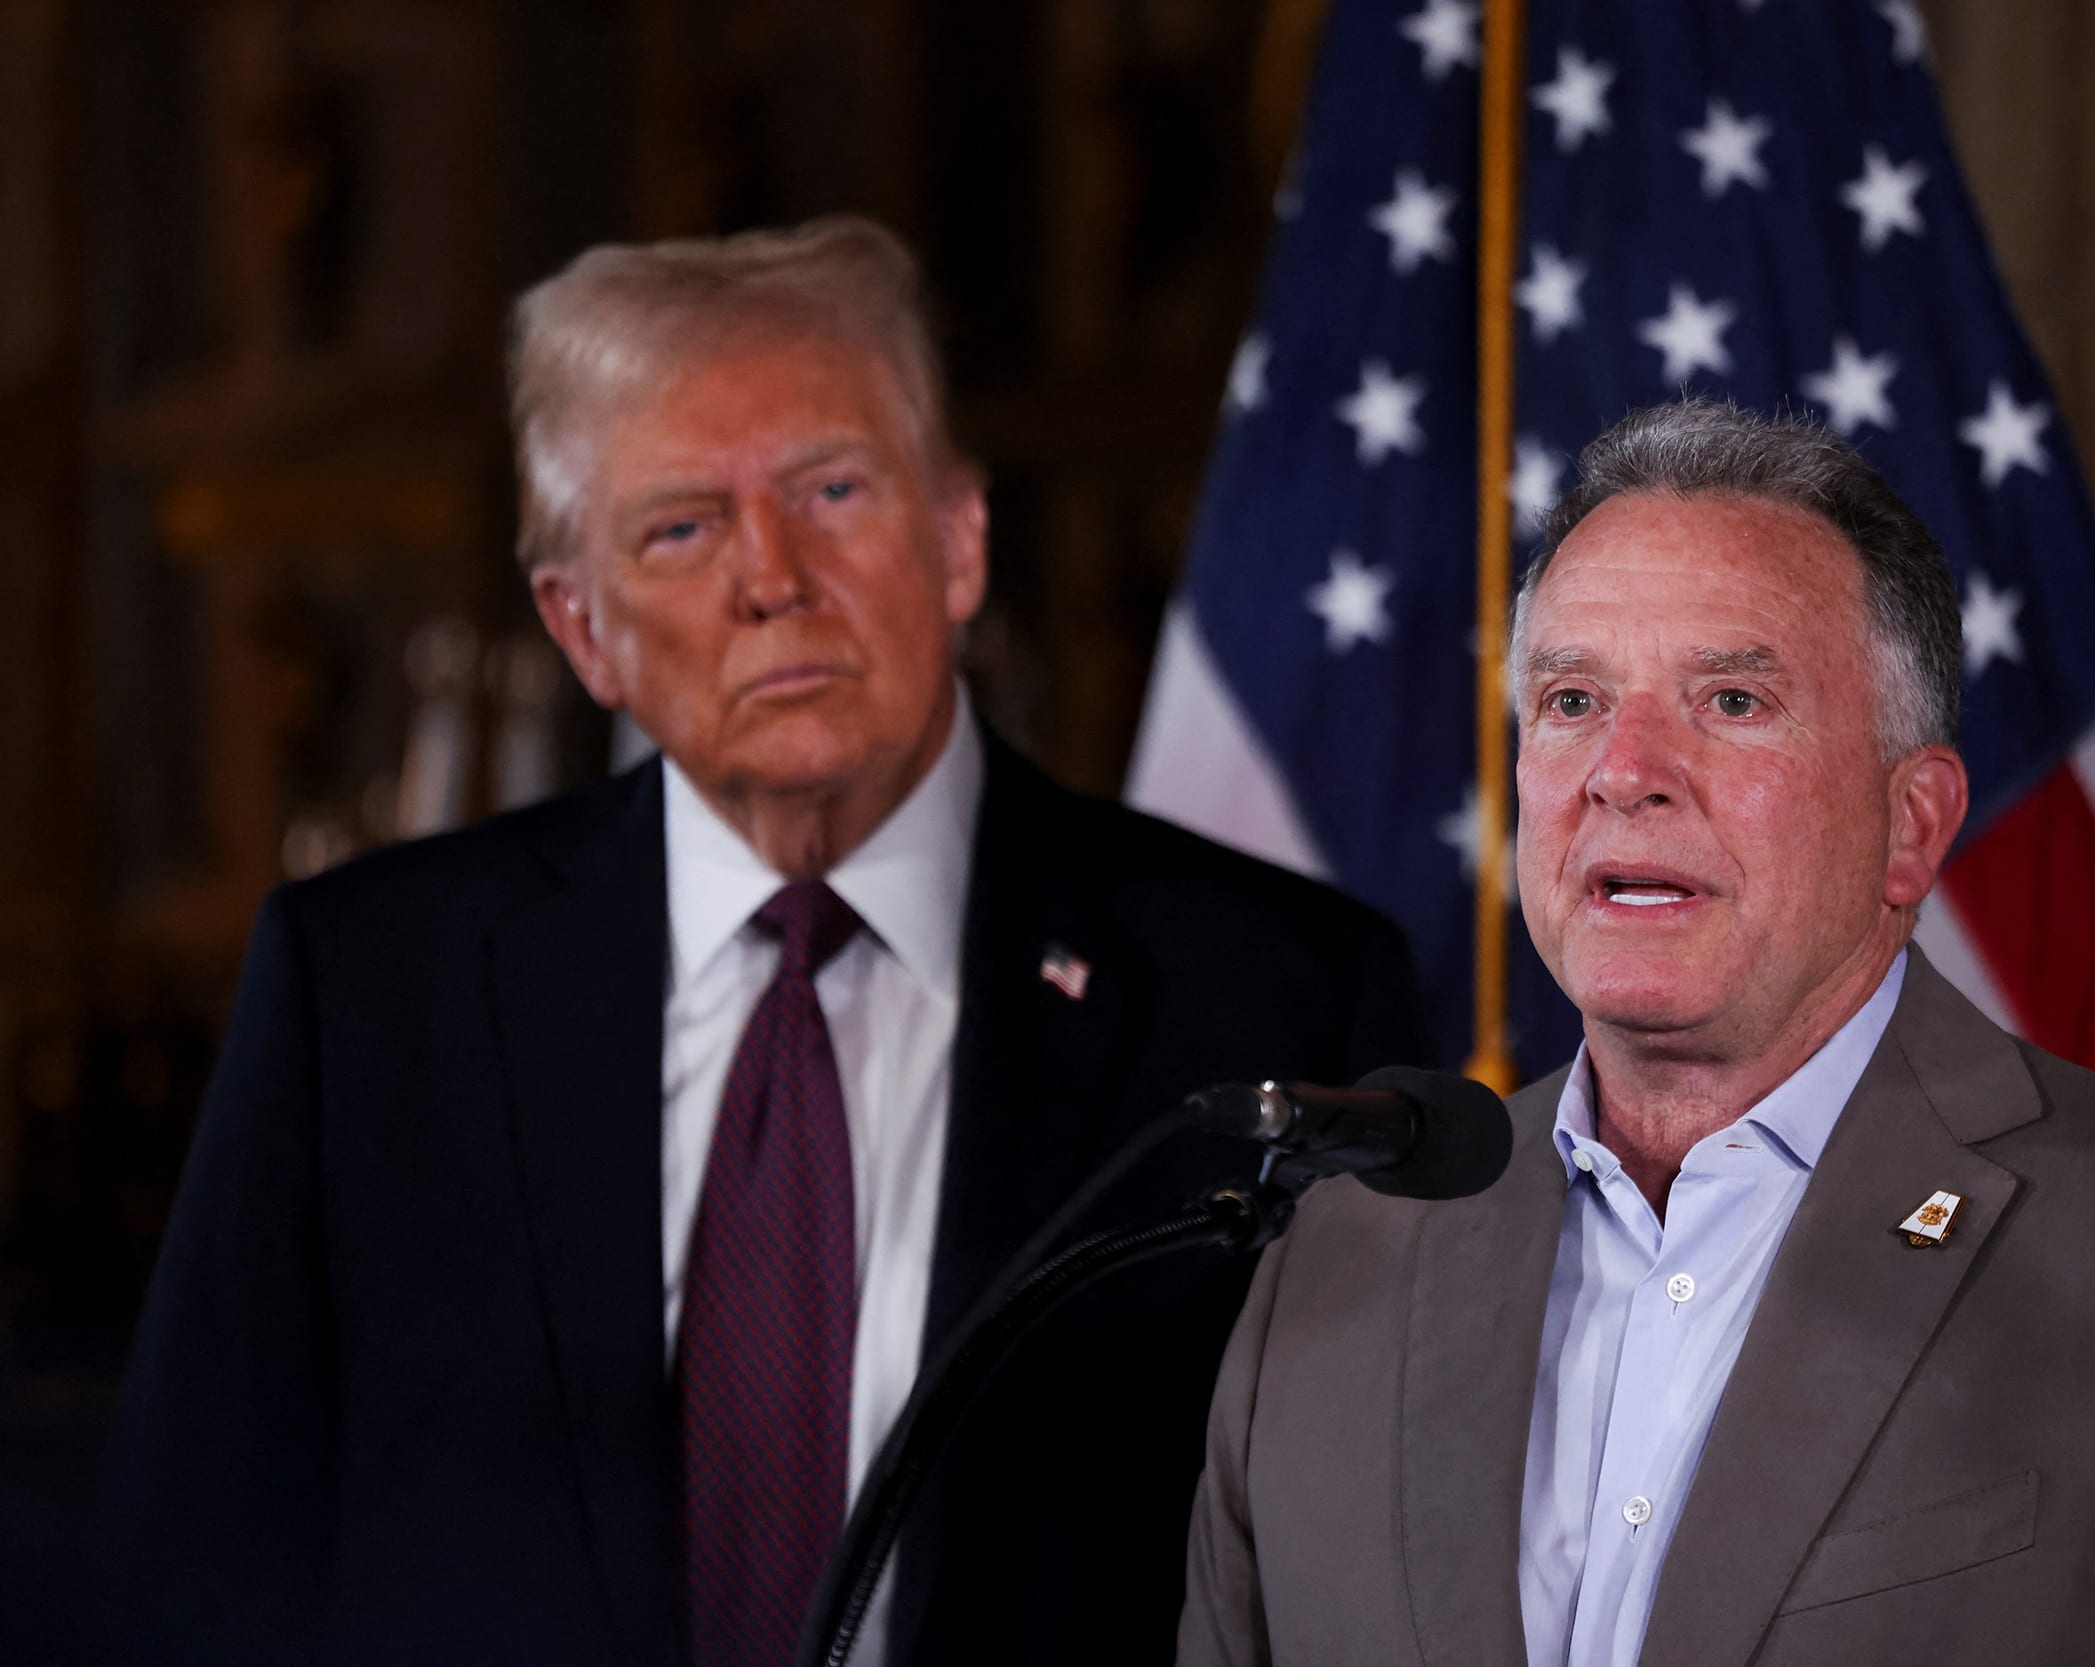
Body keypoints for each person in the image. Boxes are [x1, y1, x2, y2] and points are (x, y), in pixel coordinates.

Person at [93, 216, 1428, 1667]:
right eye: (681, 525)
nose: (772, 576)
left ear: (959, 539)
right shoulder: (368, 993)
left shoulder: (1274, 991)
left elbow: (1362, 1588)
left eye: (834, 489)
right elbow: (195, 1577)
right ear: (582, 627)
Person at [1175, 399, 2095, 1667]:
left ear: (1912, 823)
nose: (1624, 768)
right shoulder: (1341, 1257)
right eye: (1570, 699)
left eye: (1729, 697)